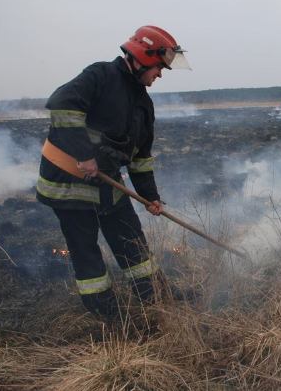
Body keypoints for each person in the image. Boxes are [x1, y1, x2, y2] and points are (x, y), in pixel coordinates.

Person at [36, 26, 190, 322]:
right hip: (68, 182)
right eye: (159, 68)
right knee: (86, 250)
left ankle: (154, 295)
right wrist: (84, 154)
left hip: (106, 181)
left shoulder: (143, 105)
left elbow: (140, 159)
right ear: (143, 58)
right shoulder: (100, 76)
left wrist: (150, 197)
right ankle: (109, 312)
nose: (160, 75)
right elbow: (62, 106)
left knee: (131, 237)